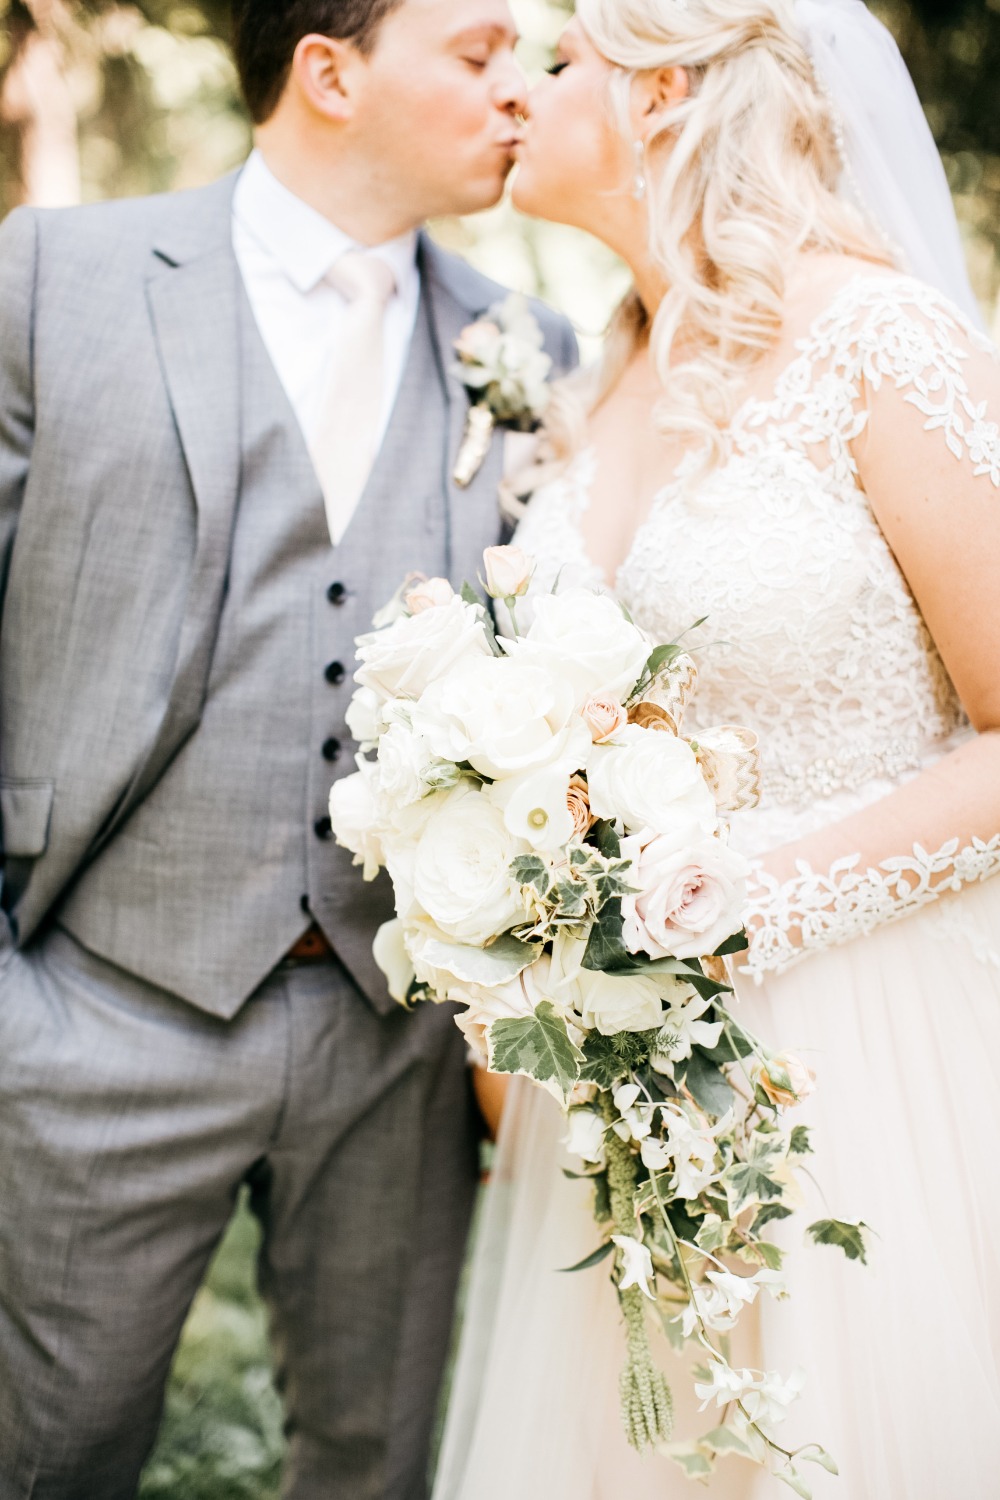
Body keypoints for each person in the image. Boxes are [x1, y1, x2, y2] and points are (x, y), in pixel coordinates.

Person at [0, 2, 576, 1496]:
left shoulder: (530, 348)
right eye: (477, 53)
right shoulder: (54, 280)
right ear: (330, 71)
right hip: (97, 1006)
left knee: (378, 1458)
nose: (524, 89)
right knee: (45, 1459)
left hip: (394, 1043)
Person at [433, 2, 1000, 1497]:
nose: (521, 90)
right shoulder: (603, 369)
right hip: (628, 1085)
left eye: (561, 61)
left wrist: (767, 896)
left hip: (864, 1054)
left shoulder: (878, 337)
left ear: (661, 91)